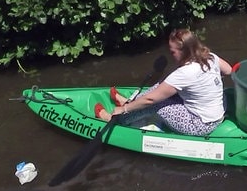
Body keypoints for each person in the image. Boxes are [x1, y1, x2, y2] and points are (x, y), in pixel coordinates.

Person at [94, 28, 232, 136]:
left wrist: (124, 109)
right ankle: (130, 102)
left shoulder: (184, 73)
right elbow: (229, 71)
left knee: (155, 104)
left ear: (184, 51)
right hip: (218, 113)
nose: (171, 55)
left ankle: (118, 118)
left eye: (173, 52)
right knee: (162, 85)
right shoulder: (211, 57)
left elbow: (150, 100)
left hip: (200, 124)